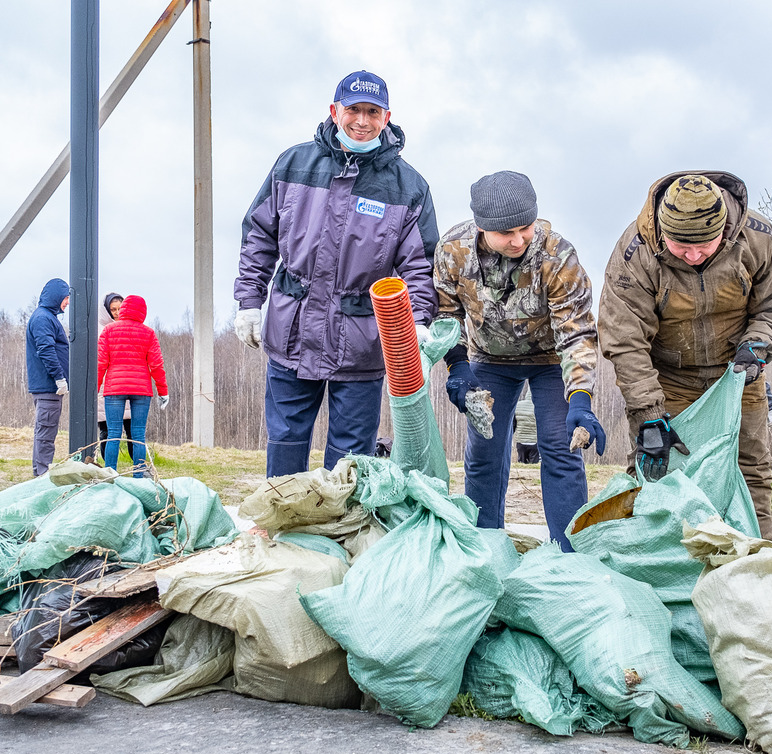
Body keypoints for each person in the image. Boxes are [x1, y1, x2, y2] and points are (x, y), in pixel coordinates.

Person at [233, 69, 439, 477]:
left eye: (372, 112)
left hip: (361, 343)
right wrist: (249, 303)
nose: (362, 121)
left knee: (350, 458)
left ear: (387, 116)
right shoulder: (293, 164)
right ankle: (283, 526)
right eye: (354, 110)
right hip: (290, 332)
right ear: (334, 111)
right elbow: (259, 236)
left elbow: (420, 265)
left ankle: (338, 537)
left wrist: (418, 321)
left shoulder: (408, 186)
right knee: (286, 437)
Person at [599, 172, 772, 543]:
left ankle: (761, 559)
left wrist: (757, 346)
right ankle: (651, 562)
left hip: (738, 372)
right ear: (662, 232)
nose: (693, 256)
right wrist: (648, 414)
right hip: (668, 380)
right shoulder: (635, 252)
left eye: (704, 246)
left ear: (724, 230)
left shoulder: (758, 237)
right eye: (680, 246)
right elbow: (624, 338)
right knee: (655, 469)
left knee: (750, 470)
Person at [436, 170, 604, 552]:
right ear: (482, 228)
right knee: (484, 450)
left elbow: (577, 332)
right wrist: (457, 365)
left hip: (550, 359)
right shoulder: (452, 250)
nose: (518, 240)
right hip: (490, 359)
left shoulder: (558, 255)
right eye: (505, 233)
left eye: (525, 228)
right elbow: (446, 315)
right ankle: (484, 548)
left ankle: (569, 556)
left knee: (561, 446)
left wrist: (580, 398)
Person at [97, 295, 169, 477]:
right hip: (141, 390)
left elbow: (100, 363)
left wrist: (95, 388)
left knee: (113, 433)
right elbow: (157, 366)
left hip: (114, 388)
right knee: (138, 434)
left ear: (124, 309)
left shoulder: (108, 331)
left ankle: (110, 475)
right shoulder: (149, 333)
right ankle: (139, 477)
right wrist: (163, 392)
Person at [25, 278, 70, 476]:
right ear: (56, 297)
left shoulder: (47, 317)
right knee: (46, 433)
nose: (67, 302)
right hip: (48, 387)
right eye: (66, 298)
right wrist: (59, 378)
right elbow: (46, 350)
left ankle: (39, 472)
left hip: (47, 387)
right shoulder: (43, 318)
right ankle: (42, 475)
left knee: (44, 432)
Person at [97, 292, 133, 462]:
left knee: (132, 430)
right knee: (108, 431)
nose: (117, 313)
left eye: (120, 309)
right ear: (106, 310)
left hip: (128, 383)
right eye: (113, 309)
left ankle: (138, 465)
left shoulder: (131, 327)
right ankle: (108, 467)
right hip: (107, 385)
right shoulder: (99, 329)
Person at [513, 390, 540, 464]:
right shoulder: (539, 407)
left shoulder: (518, 405)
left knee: (521, 463)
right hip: (534, 442)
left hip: (521, 441)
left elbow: (513, 425)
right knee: (534, 465)